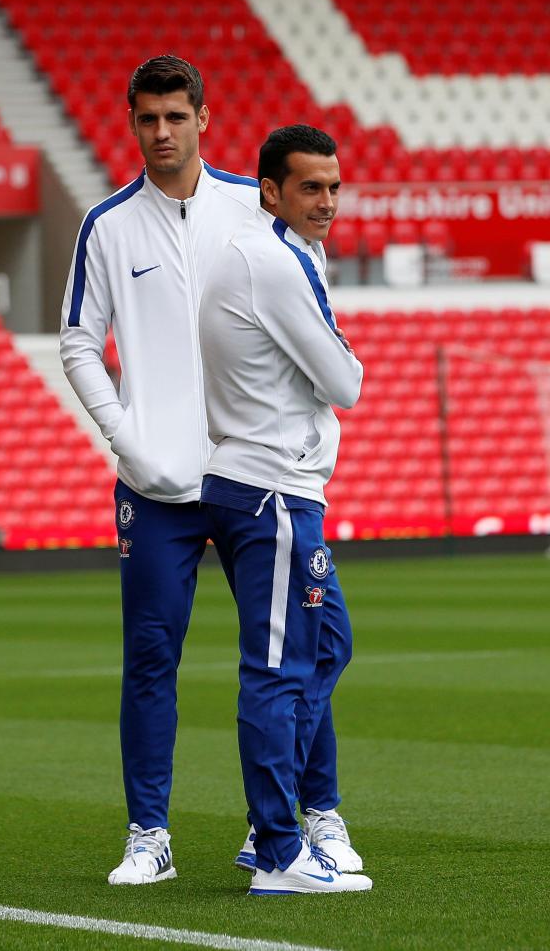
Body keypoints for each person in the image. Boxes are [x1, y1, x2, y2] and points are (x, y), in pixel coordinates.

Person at [60, 55, 361, 886]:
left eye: (176, 117)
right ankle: (148, 834)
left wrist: (309, 446)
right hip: (157, 488)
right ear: (131, 122)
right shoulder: (108, 225)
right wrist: (127, 439)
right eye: (148, 119)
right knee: (152, 656)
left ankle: (314, 816)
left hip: (255, 476)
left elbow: (311, 323)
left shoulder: (254, 205)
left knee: (308, 645)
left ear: (202, 117)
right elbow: (80, 342)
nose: (163, 133)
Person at [199, 125, 372, 895]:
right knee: (275, 668)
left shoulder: (293, 250)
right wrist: (337, 363)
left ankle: (276, 823)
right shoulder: (270, 259)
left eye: (334, 186)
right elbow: (344, 379)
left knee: (327, 644)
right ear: (270, 189)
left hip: (283, 488)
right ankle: (275, 849)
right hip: (268, 490)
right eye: (311, 187)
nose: (327, 201)